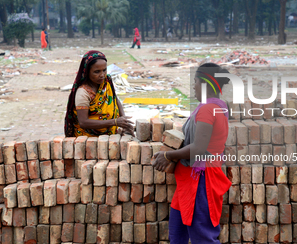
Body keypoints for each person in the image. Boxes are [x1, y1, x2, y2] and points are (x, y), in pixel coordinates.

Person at [152, 63, 232, 244]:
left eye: (195, 81)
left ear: (204, 84)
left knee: (202, 236)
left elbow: (199, 148)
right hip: (191, 179)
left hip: (202, 180)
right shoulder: (217, 105)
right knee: (177, 231)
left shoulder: (207, 109)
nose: (193, 86)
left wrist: (168, 156)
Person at [64, 50, 134, 137]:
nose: (102, 75)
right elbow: (83, 122)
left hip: (110, 133)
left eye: (104, 70)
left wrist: (124, 121)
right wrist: (114, 122)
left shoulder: (107, 81)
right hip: (88, 138)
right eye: (97, 72)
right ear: (87, 72)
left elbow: (114, 98)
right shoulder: (83, 93)